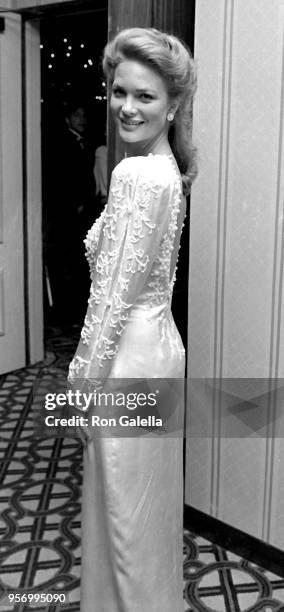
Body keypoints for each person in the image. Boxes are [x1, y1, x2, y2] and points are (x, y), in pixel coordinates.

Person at [68, 27, 197, 611]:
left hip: (123, 360)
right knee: (144, 519)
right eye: (118, 91)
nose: (125, 105)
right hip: (162, 352)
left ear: (173, 104)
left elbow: (109, 304)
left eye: (144, 96)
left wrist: (79, 393)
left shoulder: (136, 175)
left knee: (123, 523)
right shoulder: (168, 168)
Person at [44, 101, 96, 330]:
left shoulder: (84, 142)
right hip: (65, 215)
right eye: (77, 115)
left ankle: (75, 313)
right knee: (65, 264)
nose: (82, 120)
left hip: (81, 214)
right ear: (67, 119)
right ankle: (64, 315)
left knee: (78, 263)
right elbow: (57, 179)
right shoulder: (61, 143)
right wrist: (72, 205)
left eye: (84, 115)